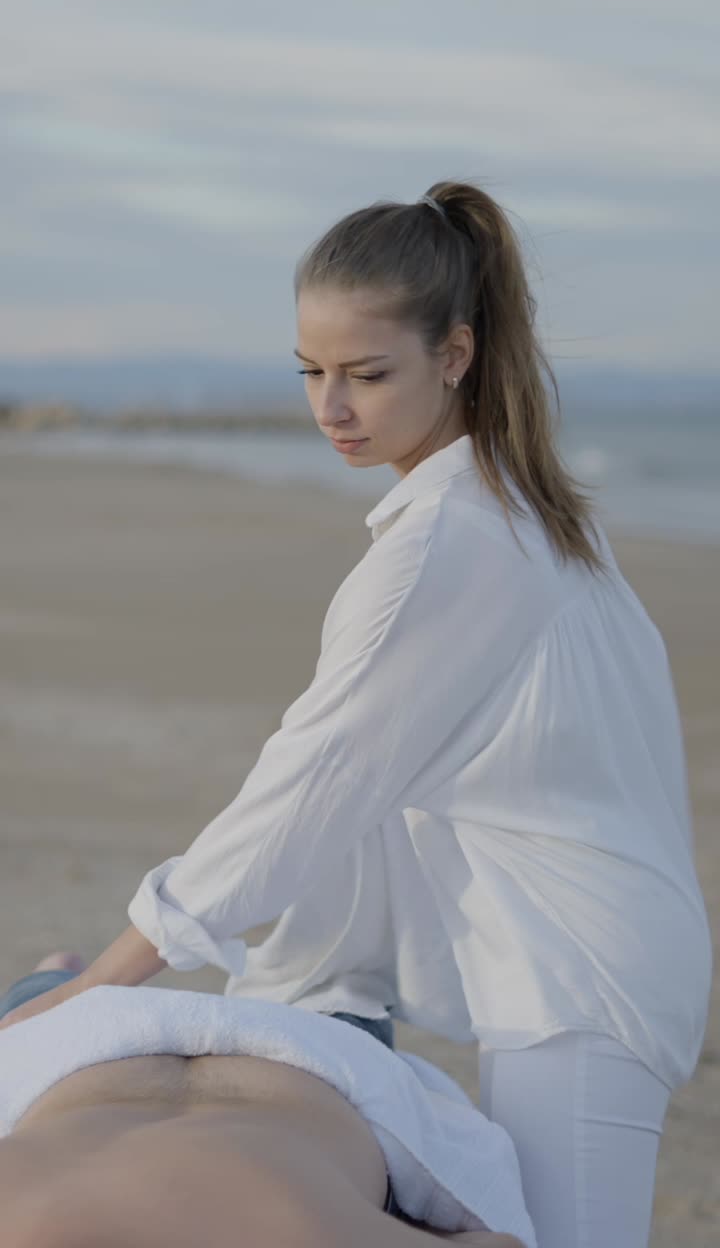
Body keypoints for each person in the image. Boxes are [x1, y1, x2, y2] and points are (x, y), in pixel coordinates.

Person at [0, 179, 712, 1248]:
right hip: (595, 948)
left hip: (578, 982)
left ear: (456, 356)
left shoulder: (452, 545)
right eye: (312, 372)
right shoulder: (524, 510)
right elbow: (374, 792)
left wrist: (101, 984)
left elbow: (307, 786)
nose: (331, 408)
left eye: (367, 375)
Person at [0, 951, 529, 1248]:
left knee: (343, 990)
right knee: (32, 1009)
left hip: (310, 1051)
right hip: (84, 1038)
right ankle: (52, 973)